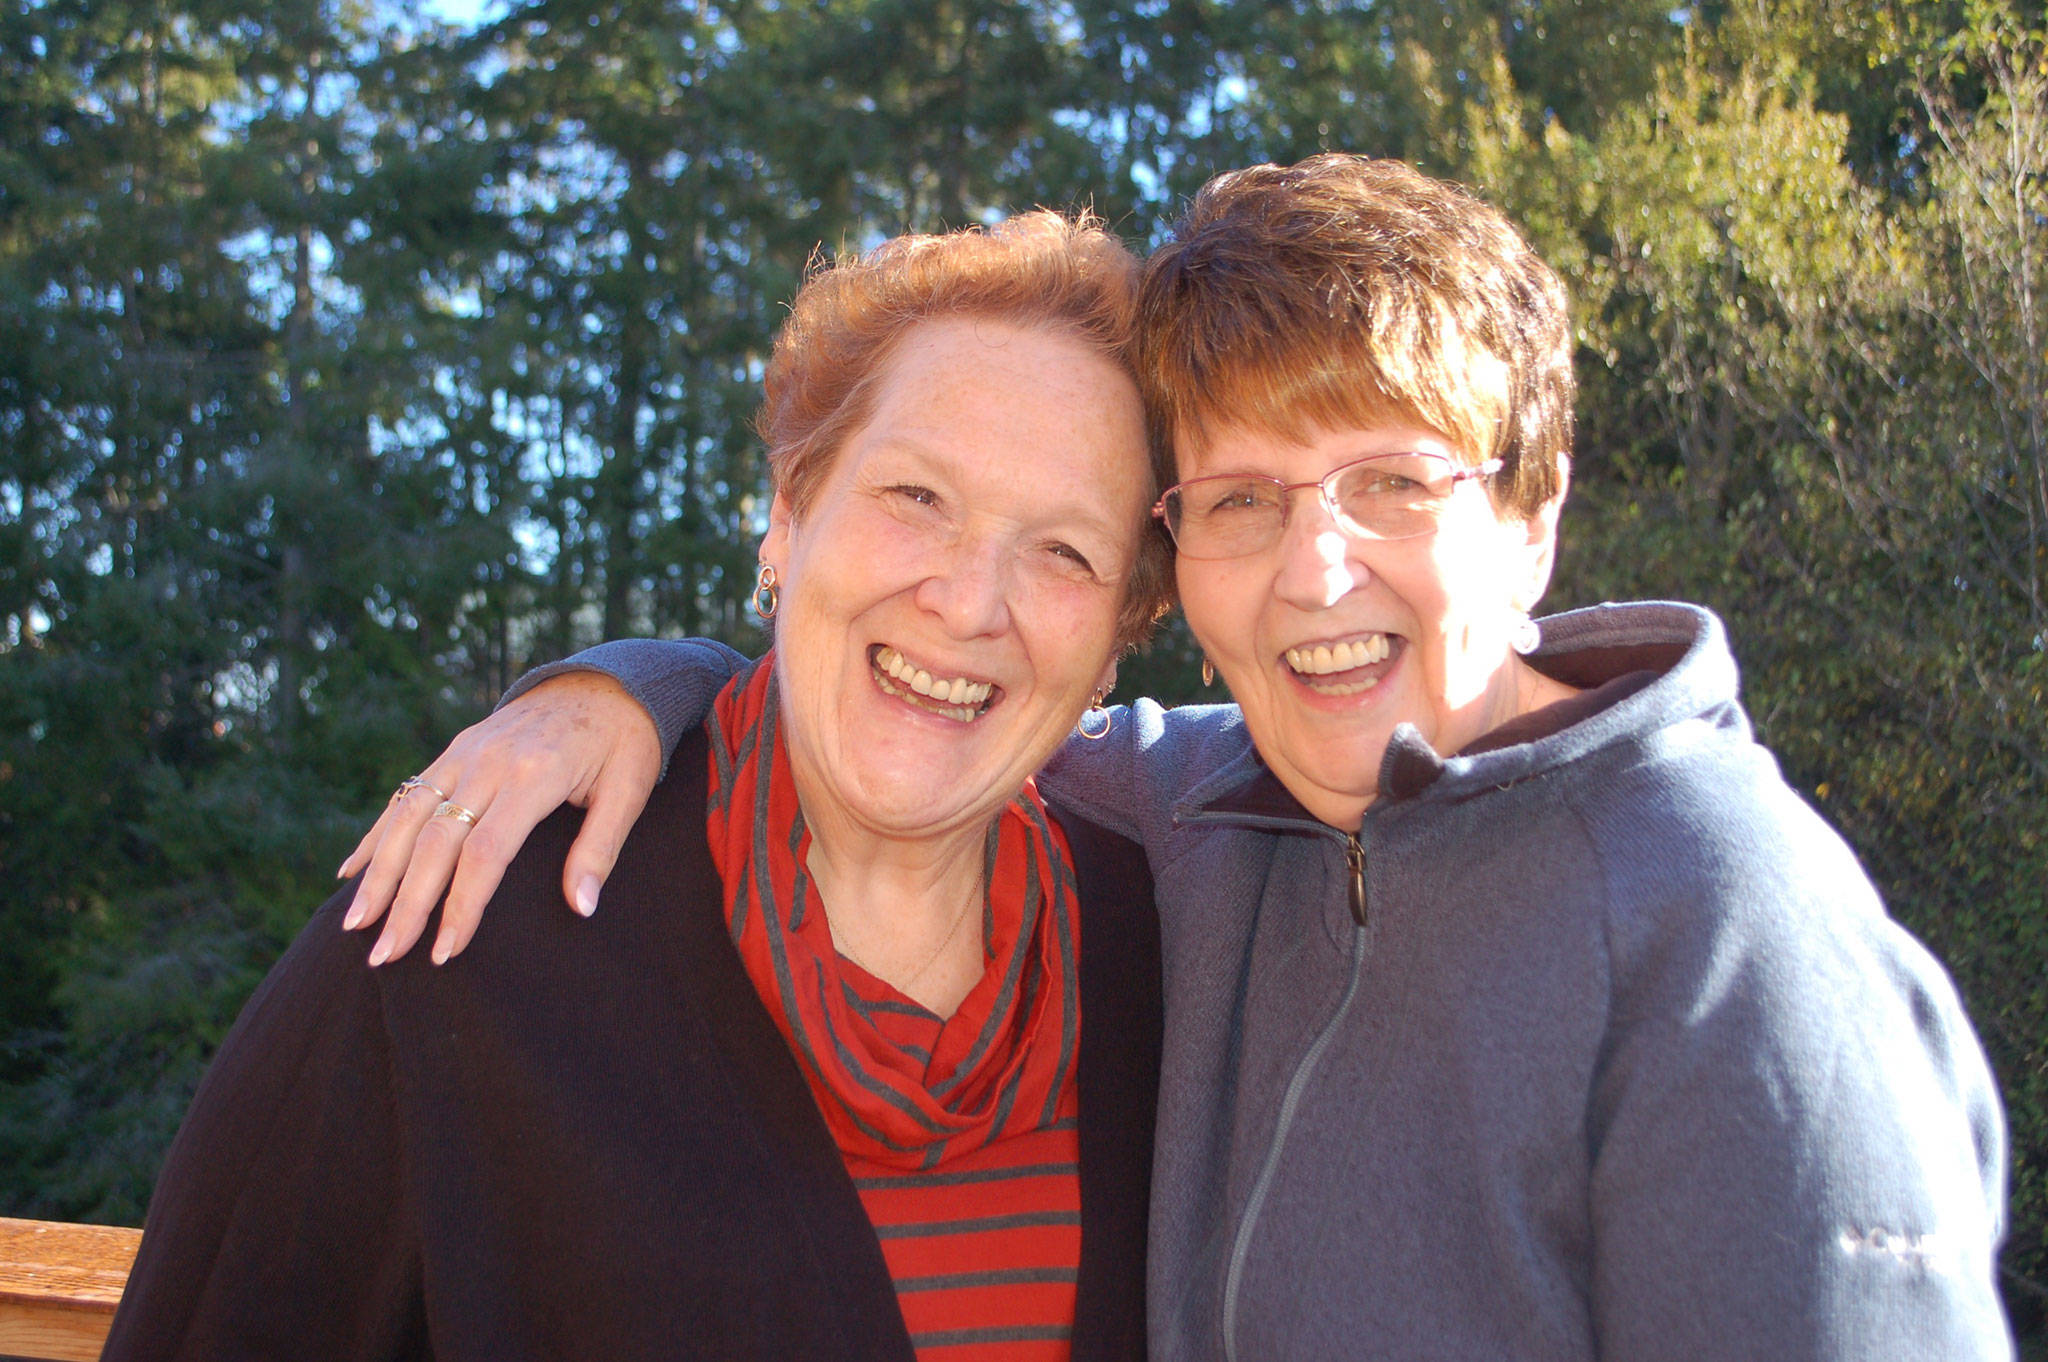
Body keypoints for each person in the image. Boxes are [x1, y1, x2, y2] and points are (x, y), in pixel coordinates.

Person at [340, 157, 2013, 1360]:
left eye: (1394, 483)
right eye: (1241, 501)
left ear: (1530, 518)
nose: (1314, 568)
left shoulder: (1735, 938)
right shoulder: (1194, 808)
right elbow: (927, 694)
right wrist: (629, 687)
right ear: (1174, 566)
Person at [103, 211, 1175, 1362]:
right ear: (786, 514)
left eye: (1064, 550)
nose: (971, 603)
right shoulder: (465, 923)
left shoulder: (1167, 951)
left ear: (1119, 635)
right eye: (915, 496)